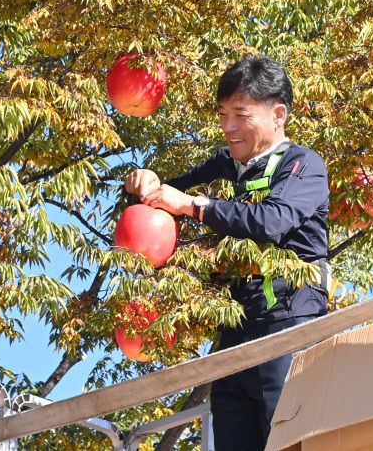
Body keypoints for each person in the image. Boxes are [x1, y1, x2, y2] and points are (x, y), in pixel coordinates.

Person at [124, 55, 329, 451]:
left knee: (289, 441)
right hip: (232, 337)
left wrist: (194, 206)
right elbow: (158, 201)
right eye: (222, 114)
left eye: (240, 114)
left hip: (288, 327)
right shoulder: (223, 165)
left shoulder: (303, 164)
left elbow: (273, 221)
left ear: (278, 114)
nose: (228, 127)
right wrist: (141, 183)